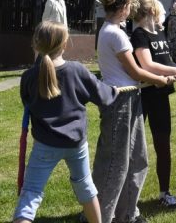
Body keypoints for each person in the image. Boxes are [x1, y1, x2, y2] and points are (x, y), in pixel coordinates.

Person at [13, 21, 117, 223]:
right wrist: (114, 89)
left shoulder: (29, 76)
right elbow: (104, 96)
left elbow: (27, 102)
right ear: (65, 43)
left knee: (31, 193)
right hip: (76, 144)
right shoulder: (77, 70)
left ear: (35, 43)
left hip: (45, 144)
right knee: (86, 188)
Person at [90, 0, 173, 223]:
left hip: (131, 98)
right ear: (124, 8)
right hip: (120, 100)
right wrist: (161, 79)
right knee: (116, 161)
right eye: (129, 7)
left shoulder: (115, 30)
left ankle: (127, 213)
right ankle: (102, 216)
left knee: (137, 159)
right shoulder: (114, 34)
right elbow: (136, 71)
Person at [129, 0, 176, 207]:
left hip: (161, 96)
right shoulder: (139, 35)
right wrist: (175, 69)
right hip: (143, 97)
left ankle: (165, 193)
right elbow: (147, 65)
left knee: (163, 145)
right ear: (152, 10)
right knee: (133, 148)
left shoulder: (159, 33)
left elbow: (164, 59)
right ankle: (126, 197)